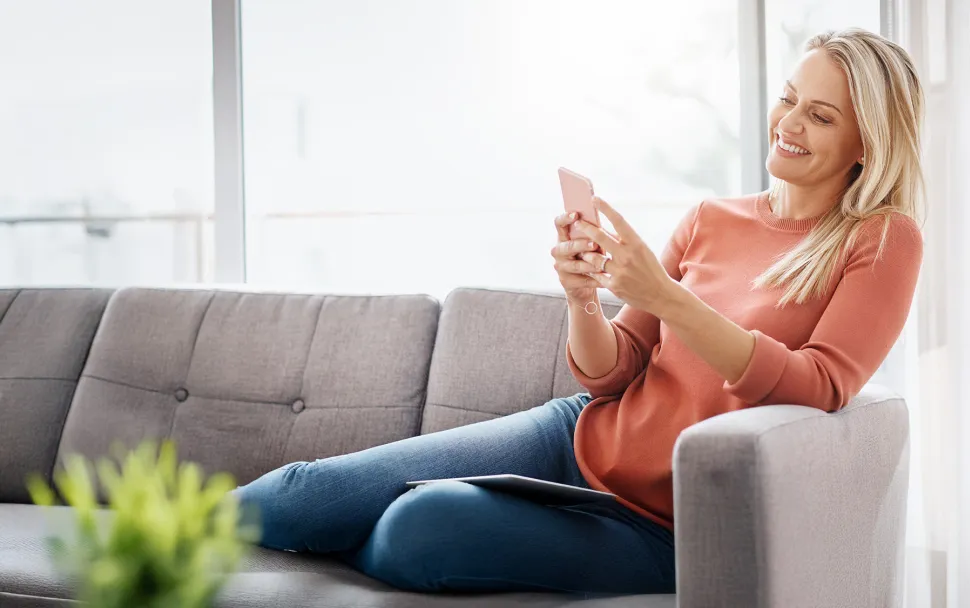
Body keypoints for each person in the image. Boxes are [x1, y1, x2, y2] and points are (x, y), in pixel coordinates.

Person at [233, 28, 925, 596]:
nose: (790, 123)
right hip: (574, 438)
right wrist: (583, 298)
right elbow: (609, 375)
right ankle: (147, 542)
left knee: (420, 527)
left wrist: (664, 296)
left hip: (656, 527)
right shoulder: (711, 218)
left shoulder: (883, 240)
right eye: (788, 99)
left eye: (821, 115)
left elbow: (819, 385)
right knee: (309, 489)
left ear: (866, 144)